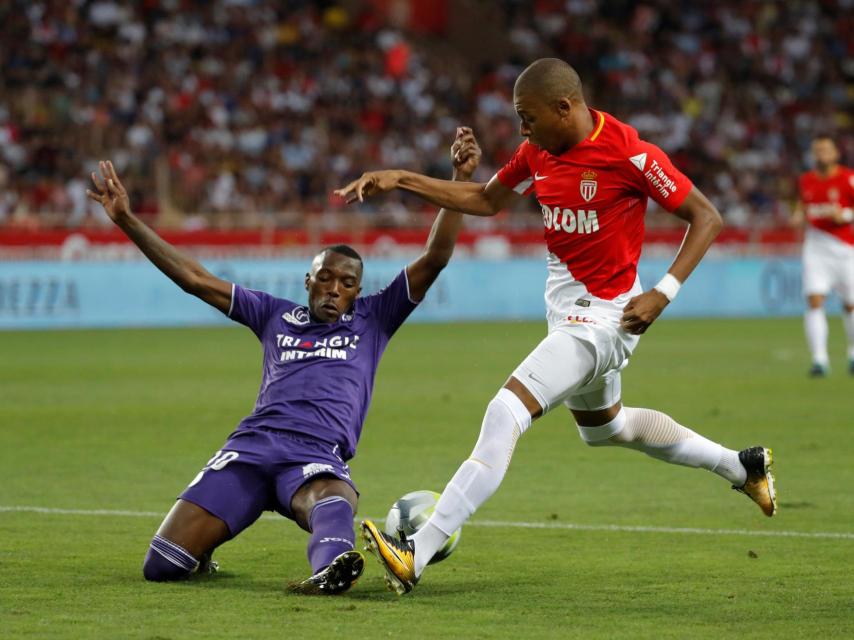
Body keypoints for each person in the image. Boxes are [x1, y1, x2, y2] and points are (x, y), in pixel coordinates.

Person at [335, 58, 777, 595]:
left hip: (602, 321)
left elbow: (706, 217)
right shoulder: (538, 151)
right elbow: (487, 200)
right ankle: (740, 466)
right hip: (567, 316)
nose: (522, 129)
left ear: (564, 107)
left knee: (505, 413)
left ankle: (417, 552)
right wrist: (402, 178)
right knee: (608, 430)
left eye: (528, 117)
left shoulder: (629, 153)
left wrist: (664, 292)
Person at [85, 128, 481, 594]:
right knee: (161, 566)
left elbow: (435, 256)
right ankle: (204, 549)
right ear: (308, 281)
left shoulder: (374, 319)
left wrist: (458, 179)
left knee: (334, 498)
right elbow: (196, 279)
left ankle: (331, 570)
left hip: (315, 455)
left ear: (358, 291)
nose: (334, 288)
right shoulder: (274, 314)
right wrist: (127, 220)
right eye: (325, 278)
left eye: (346, 282)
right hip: (251, 449)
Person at [791, 135, 854, 377]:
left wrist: (845, 216)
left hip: (845, 249)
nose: (821, 154)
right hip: (816, 248)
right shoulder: (806, 181)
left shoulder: (848, 178)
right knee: (815, 301)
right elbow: (802, 206)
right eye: (817, 150)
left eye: (826, 149)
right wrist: (797, 216)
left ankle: (852, 354)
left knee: (850, 304)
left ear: (836, 153)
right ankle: (819, 360)